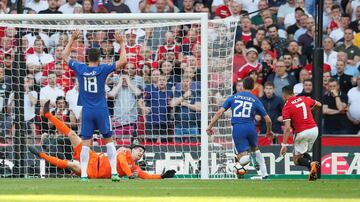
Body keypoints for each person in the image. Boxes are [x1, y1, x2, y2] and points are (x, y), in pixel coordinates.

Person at [30, 100, 176, 180]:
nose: (140, 154)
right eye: (139, 150)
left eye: (142, 153)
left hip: (93, 171)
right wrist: (130, 175)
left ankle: (41, 155)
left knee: (72, 164)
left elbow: (145, 175)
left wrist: (161, 176)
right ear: (131, 149)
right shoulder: (123, 153)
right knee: (73, 135)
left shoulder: (133, 167)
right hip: (93, 156)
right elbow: (123, 162)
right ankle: (47, 114)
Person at [62, 30, 127, 182]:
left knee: (85, 144)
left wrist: (72, 39)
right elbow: (123, 61)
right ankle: (114, 173)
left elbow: (64, 56)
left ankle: (84, 174)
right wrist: (121, 43)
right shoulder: (102, 69)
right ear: (99, 59)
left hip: (87, 110)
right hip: (101, 110)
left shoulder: (80, 68)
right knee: (109, 141)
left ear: (87, 58)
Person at [207, 77, 272, 180]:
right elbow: (268, 120)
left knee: (243, 156)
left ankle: (246, 160)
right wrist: (268, 131)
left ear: (243, 86)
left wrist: (210, 126)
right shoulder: (255, 99)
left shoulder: (233, 97)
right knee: (256, 149)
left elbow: (219, 113)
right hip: (251, 127)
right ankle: (264, 174)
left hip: (238, 128)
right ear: (253, 86)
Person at [280, 85, 322, 181]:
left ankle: (312, 164)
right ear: (293, 93)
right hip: (314, 130)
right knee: (303, 153)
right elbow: (319, 104)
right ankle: (312, 174)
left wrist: (284, 144)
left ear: (284, 95)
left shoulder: (287, 108)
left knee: (296, 160)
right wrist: (309, 111)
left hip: (302, 132)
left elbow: (287, 129)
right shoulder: (303, 98)